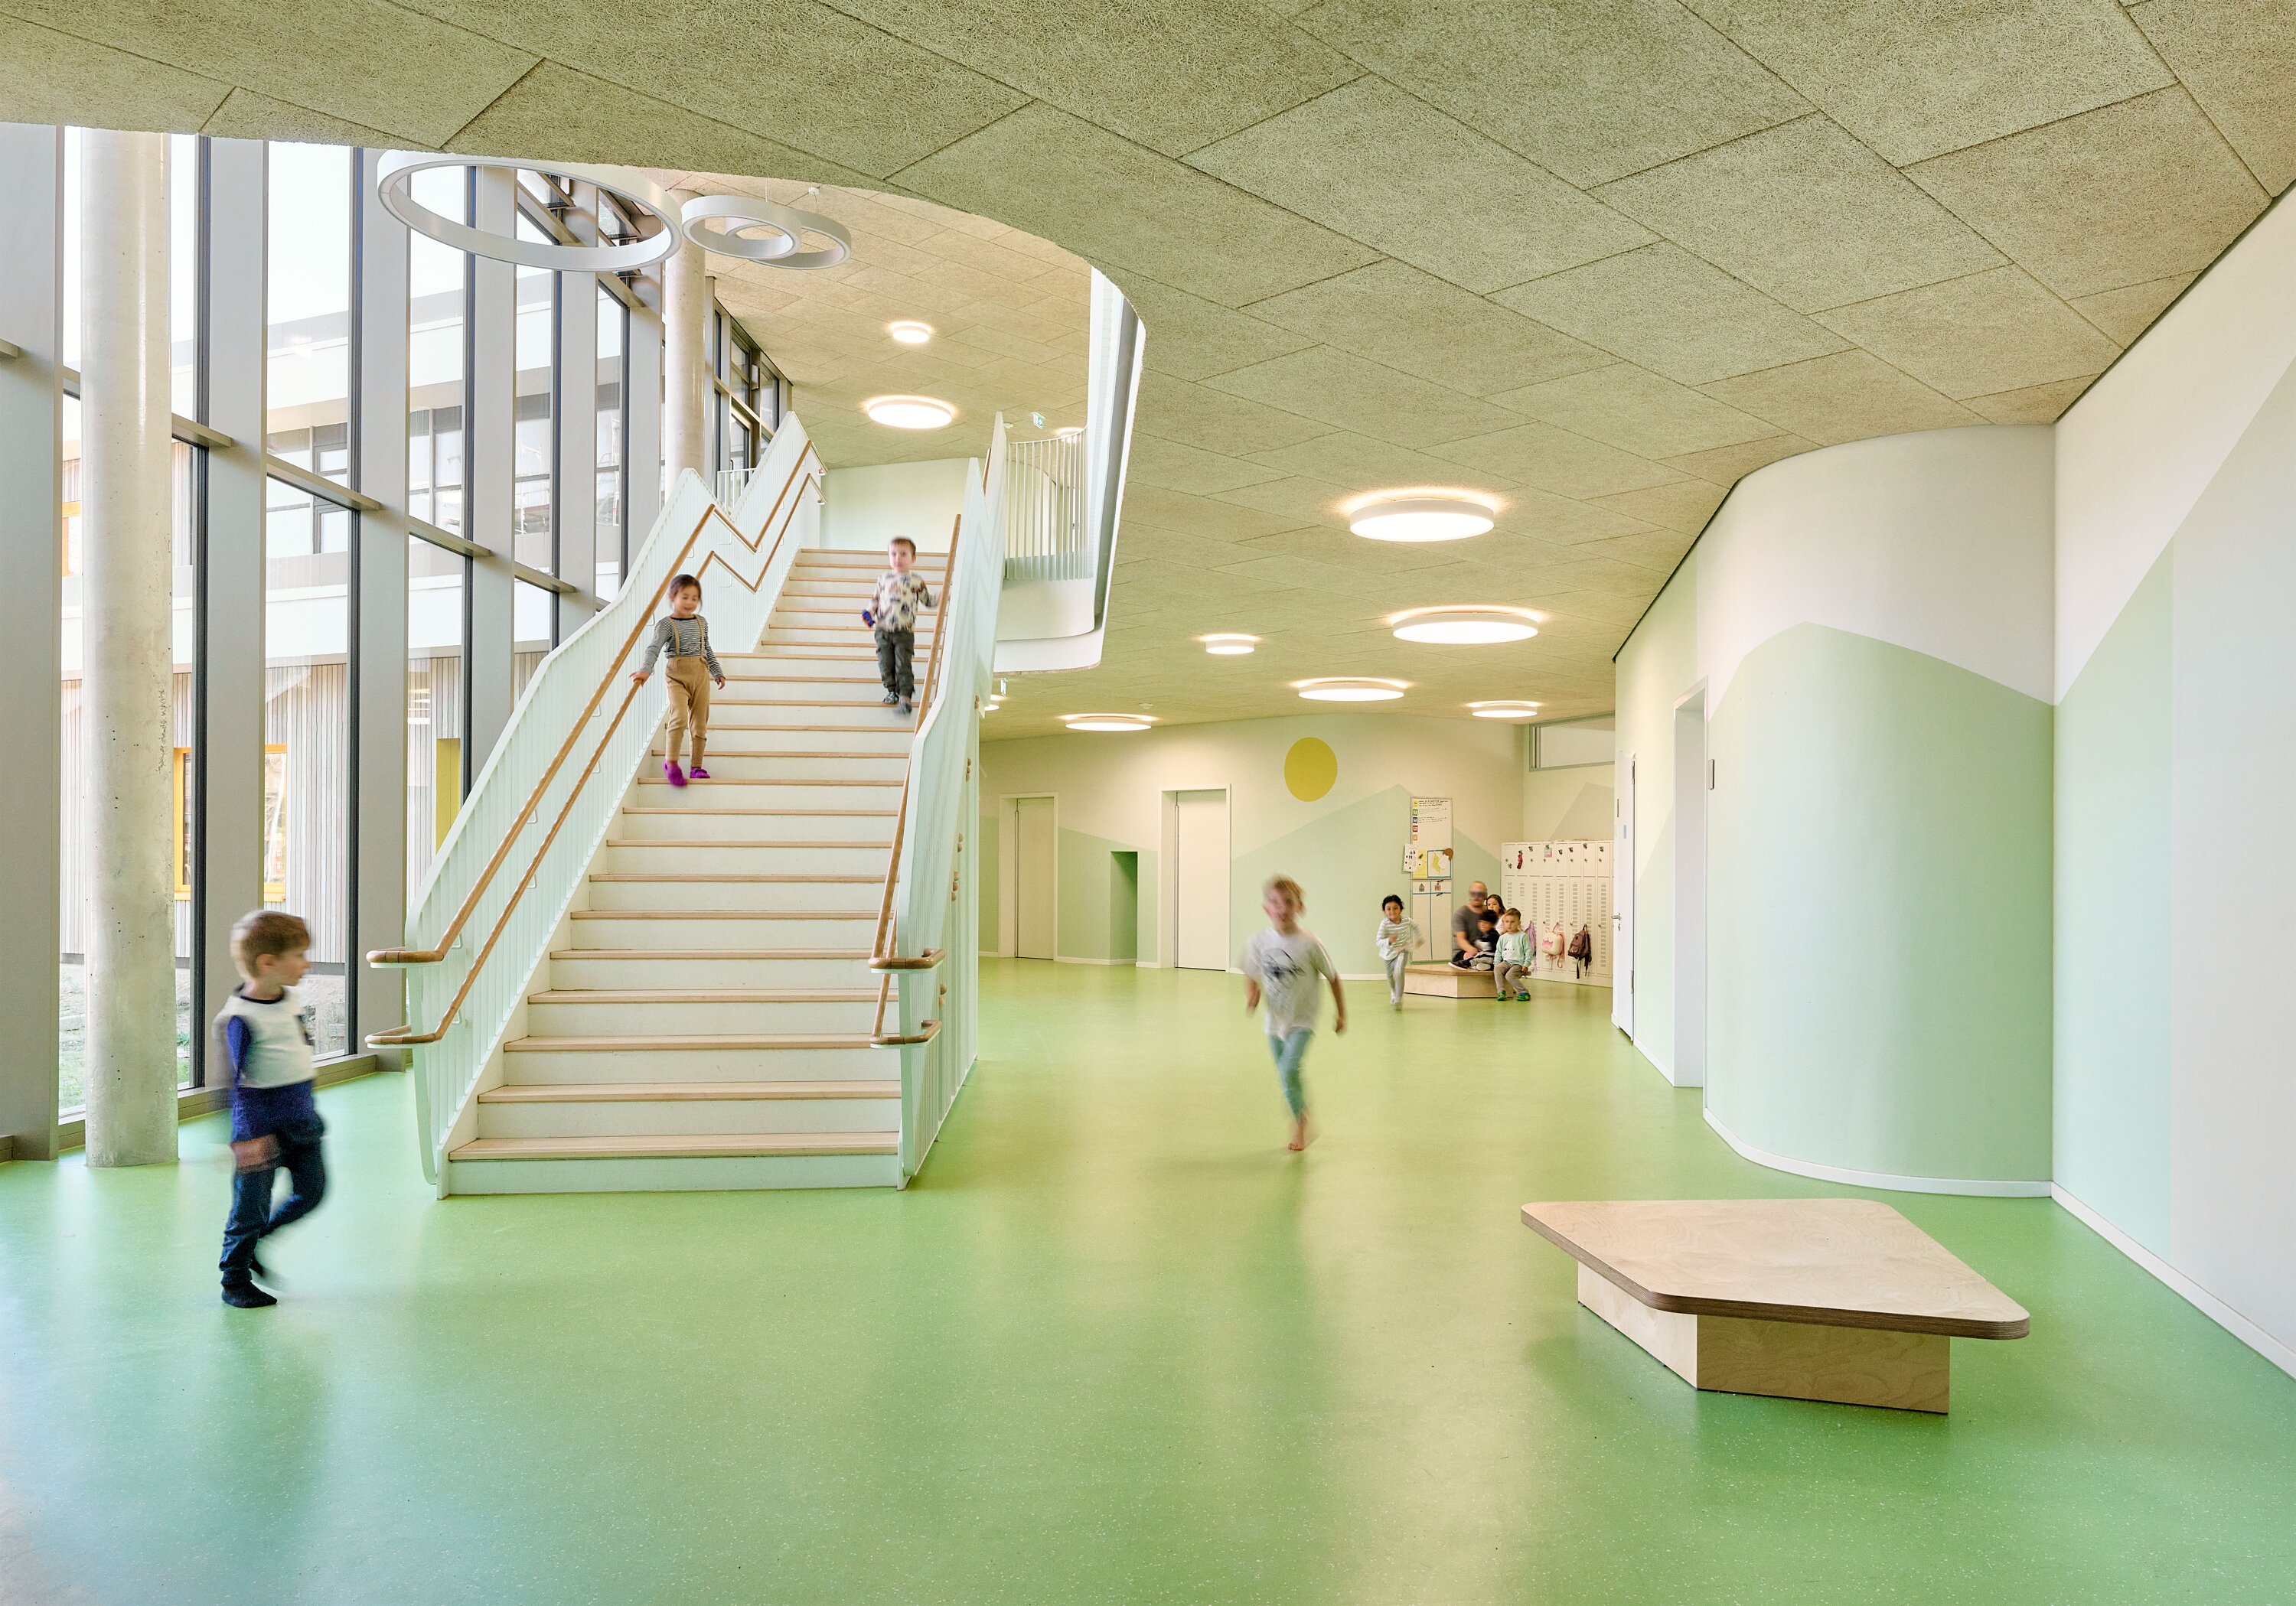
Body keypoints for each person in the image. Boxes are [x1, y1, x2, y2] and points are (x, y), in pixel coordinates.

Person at [214, 911, 328, 1309]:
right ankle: (235, 1279)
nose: (307, 962)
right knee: (249, 1209)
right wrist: (246, 1137)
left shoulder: (292, 998)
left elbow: (295, 1053)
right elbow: (234, 1083)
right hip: (260, 1130)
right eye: (299, 954)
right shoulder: (239, 1018)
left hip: (301, 1121)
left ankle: (260, 1239)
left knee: (311, 1193)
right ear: (268, 963)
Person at [1241, 876, 1345, 1152]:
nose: (1282, 908)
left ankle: (1300, 1124)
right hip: (1273, 1023)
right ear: (1267, 909)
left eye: (1289, 902)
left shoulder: (1310, 943)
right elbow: (1249, 971)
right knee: (1286, 1076)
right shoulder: (1259, 941)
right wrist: (1251, 993)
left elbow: (1333, 977)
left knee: (1289, 1070)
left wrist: (1341, 1014)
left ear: (1300, 907)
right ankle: (1302, 1115)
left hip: (1302, 1021)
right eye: (1276, 903)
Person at [629, 572, 725, 787]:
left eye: (694, 598)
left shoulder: (702, 622)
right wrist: (646, 670)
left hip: (700, 674)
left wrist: (716, 671)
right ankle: (671, 763)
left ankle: (697, 767)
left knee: (700, 724)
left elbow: (706, 648)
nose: (690, 602)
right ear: (672, 597)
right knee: (679, 717)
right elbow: (654, 648)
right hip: (677, 675)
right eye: (685, 597)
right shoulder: (666, 625)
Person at [866, 536, 936, 715]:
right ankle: (891, 692)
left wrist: (944, 596)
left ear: (913, 558)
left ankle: (905, 698)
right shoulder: (883, 579)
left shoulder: (916, 581)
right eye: (893, 554)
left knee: (903, 663)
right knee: (885, 663)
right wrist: (868, 613)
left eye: (903, 554)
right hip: (882, 629)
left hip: (904, 631)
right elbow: (875, 600)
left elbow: (928, 601)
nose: (898, 558)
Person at [1375, 894, 1417, 1008]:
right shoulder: (1385, 924)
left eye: (1395, 908)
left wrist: (1419, 938)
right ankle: (1393, 991)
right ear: (1384, 911)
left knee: (1398, 972)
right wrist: (1389, 940)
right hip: (1388, 954)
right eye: (1388, 909)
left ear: (1401, 909)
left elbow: (1415, 926)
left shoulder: (1406, 920)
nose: (1392, 911)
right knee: (1390, 976)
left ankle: (1399, 997)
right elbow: (1378, 941)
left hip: (1402, 949)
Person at [1493, 907, 1534, 1001]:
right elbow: (1498, 952)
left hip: (1518, 964)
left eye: (1512, 922)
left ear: (1518, 923)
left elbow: (1528, 951)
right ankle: (1501, 991)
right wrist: (1497, 964)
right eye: (1507, 922)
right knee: (1497, 968)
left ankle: (1524, 992)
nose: (1509, 924)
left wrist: (1526, 964)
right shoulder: (1502, 937)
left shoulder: (1523, 936)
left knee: (1509, 976)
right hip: (1506, 962)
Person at [1450, 881, 1492, 964]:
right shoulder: (1461, 913)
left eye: (1479, 894)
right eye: (1473, 894)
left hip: (1485, 951)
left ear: (1485, 896)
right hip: (1464, 952)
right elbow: (1461, 939)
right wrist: (1473, 950)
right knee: (1470, 956)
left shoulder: (1489, 913)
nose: (1476, 896)